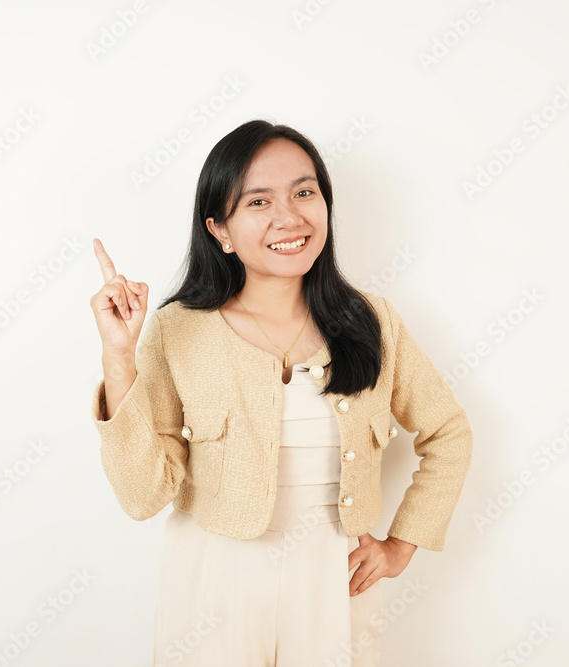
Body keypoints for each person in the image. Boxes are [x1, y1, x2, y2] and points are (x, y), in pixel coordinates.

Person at [90, 119, 473, 666]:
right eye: (258, 202)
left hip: (337, 581)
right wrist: (118, 356)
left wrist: (401, 545)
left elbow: (448, 431)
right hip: (214, 583)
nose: (289, 217)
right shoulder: (177, 330)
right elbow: (142, 496)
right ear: (219, 230)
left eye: (303, 192)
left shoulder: (373, 321)